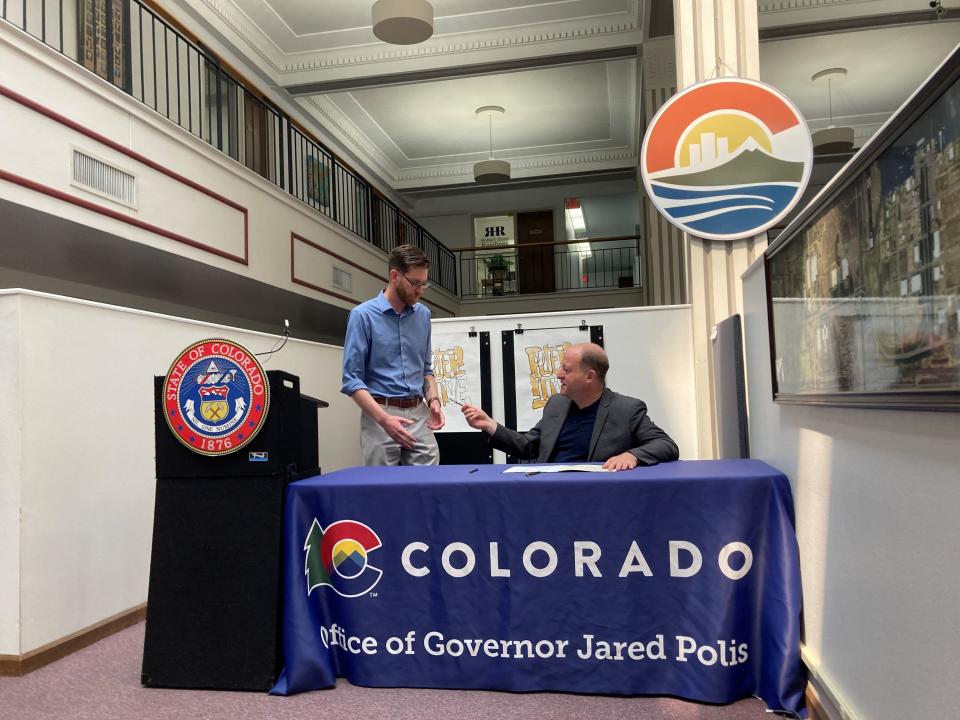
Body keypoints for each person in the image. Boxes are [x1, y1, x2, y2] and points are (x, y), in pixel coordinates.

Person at [462, 342, 678, 470]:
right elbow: (528, 446)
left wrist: (632, 456)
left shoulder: (627, 409)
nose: (558, 375)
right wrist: (489, 425)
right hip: (548, 495)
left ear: (589, 377)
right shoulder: (556, 405)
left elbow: (666, 445)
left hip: (598, 499)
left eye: (567, 370)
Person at [341, 244, 444, 466]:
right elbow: (351, 380)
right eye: (415, 283)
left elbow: (426, 370)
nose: (420, 290)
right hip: (380, 414)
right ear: (395, 276)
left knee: (428, 489)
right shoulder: (362, 316)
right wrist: (384, 420)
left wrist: (433, 401)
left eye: (424, 283)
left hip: (419, 412)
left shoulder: (423, 315)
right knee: (382, 492)